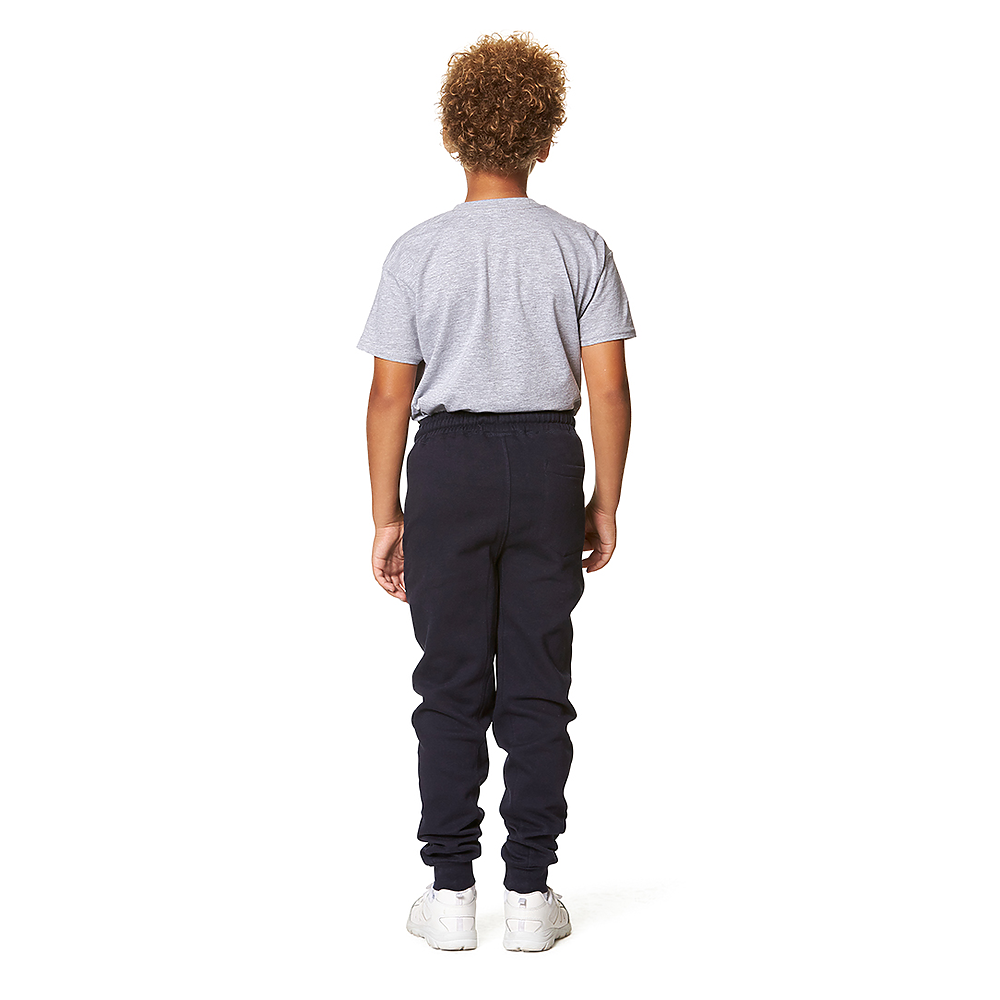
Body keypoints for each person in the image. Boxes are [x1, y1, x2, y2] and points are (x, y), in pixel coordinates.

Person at [358, 32, 634, 952]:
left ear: (453, 136)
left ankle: (448, 894)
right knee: (537, 681)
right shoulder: (579, 246)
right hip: (549, 460)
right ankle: (529, 894)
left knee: (449, 683)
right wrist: (604, 500)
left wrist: (387, 515)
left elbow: (388, 395)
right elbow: (608, 389)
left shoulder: (417, 251)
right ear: (545, 138)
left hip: (446, 467)